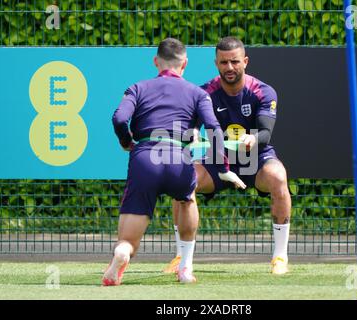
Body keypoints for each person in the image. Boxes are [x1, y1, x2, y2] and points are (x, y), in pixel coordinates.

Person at [103, 38, 246, 286]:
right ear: (185, 64)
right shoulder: (198, 93)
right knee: (187, 199)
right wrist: (223, 169)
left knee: (127, 238)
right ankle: (185, 268)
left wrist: (126, 141)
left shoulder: (138, 88)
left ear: (156, 62)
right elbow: (213, 128)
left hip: (145, 157)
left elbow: (119, 118)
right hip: (179, 157)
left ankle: (123, 252)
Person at [164, 36, 292, 275]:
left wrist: (253, 139)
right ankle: (181, 257)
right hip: (217, 160)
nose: (229, 68)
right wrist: (191, 133)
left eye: (234, 62)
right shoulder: (204, 93)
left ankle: (280, 257)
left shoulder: (263, 91)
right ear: (216, 63)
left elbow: (265, 132)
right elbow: (190, 126)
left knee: (278, 177)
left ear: (245, 61)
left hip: (255, 158)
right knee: (182, 180)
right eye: (224, 63)